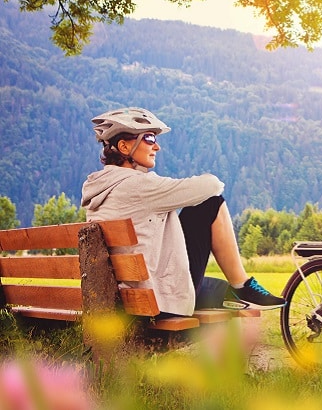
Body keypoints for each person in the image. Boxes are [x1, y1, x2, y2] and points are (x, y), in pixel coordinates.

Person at [81, 107, 285, 318]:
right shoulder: (139, 186)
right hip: (155, 302)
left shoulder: (99, 188)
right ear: (123, 146)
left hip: (125, 296)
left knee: (219, 290)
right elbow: (212, 185)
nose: (157, 147)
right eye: (149, 138)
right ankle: (242, 285)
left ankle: (235, 294)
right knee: (209, 203)